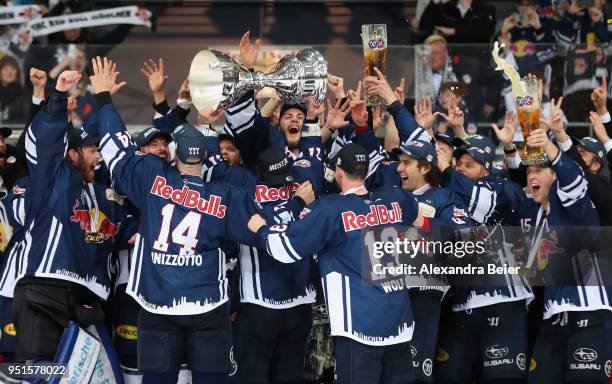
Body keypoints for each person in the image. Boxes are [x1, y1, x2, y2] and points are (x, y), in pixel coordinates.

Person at [90, 56, 260, 384]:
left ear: (174, 154)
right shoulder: (222, 192)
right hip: (209, 304)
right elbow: (259, 230)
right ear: (206, 156)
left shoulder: (153, 178)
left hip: (158, 304)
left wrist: (103, 99)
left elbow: (117, 148)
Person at [248, 143, 425, 384]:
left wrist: (261, 230)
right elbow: (422, 223)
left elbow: (285, 250)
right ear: (366, 171)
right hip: (401, 324)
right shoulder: (395, 197)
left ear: (338, 171)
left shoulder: (330, 209)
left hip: (360, 330)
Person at [12, 70, 132, 362]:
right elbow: (50, 138)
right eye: (92, 150)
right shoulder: (53, 178)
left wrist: (105, 102)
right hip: (45, 290)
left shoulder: (103, 192)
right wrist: (58, 96)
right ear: (73, 155)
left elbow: (126, 225)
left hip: (86, 301)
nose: (99, 155)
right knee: (37, 374)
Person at [419, 0, 497, 44]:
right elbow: (424, 27)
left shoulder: (486, 8)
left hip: (478, 58)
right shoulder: (445, 8)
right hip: (450, 57)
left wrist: (453, 31)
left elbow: (487, 30)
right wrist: (435, 2)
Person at [0, 55, 28, 124]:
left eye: (13, 69)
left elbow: (26, 120)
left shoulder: (25, 94)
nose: (9, 72)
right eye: (5, 69)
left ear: (17, 72)